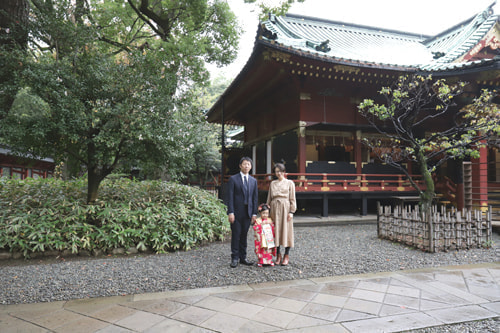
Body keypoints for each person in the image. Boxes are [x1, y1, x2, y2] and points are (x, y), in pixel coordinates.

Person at [227, 157, 258, 268]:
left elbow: (255, 198)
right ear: (240, 165)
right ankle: (234, 257)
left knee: (244, 235)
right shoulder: (233, 179)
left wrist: (254, 214)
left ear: (251, 166)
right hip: (236, 212)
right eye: (244, 164)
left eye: (248, 164)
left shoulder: (253, 181)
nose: (246, 166)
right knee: (236, 235)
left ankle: (243, 257)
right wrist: (230, 212)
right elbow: (229, 197)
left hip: (248, 212)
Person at [266, 163, 296, 266]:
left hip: (285, 208)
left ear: (284, 172)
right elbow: (269, 198)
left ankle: (286, 255)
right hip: (274, 208)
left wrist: (291, 211)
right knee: (276, 231)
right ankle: (278, 254)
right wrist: (266, 210)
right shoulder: (272, 183)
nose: (278, 173)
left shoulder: (289, 183)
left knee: (287, 231)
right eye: (276, 171)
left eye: (280, 171)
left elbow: (292, 198)